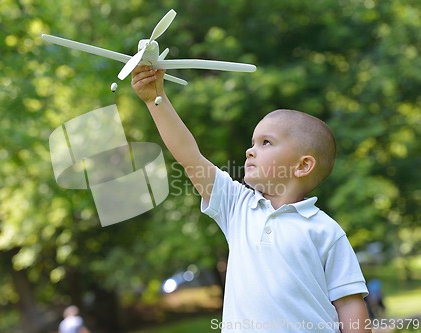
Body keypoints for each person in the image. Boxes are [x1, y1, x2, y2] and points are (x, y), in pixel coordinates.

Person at [131, 66, 371, 332]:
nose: (250, 151)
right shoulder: (237, 206)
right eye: (252, 143)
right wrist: (157, 98)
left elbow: (349, 304)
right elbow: (189, 156)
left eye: (266, 143)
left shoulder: (325, 231)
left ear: (303, 166)